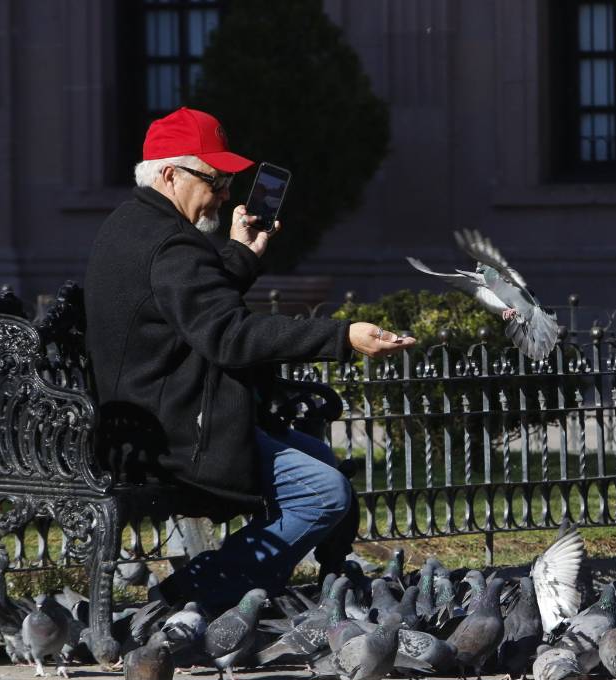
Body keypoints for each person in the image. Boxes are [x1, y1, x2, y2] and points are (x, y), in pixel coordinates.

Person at [84, 106, 415, 614]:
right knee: (323, 492)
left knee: (322, 459)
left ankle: (293, 595)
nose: (224, 194)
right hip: (175, 432)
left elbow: (188, 309)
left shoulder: (130, 224)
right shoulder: (172, 245)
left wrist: (239, 255)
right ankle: (189, 598)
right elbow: (229, 335)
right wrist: (342, 336)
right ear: (170, 174)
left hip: (148, 418)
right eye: (214, 180)